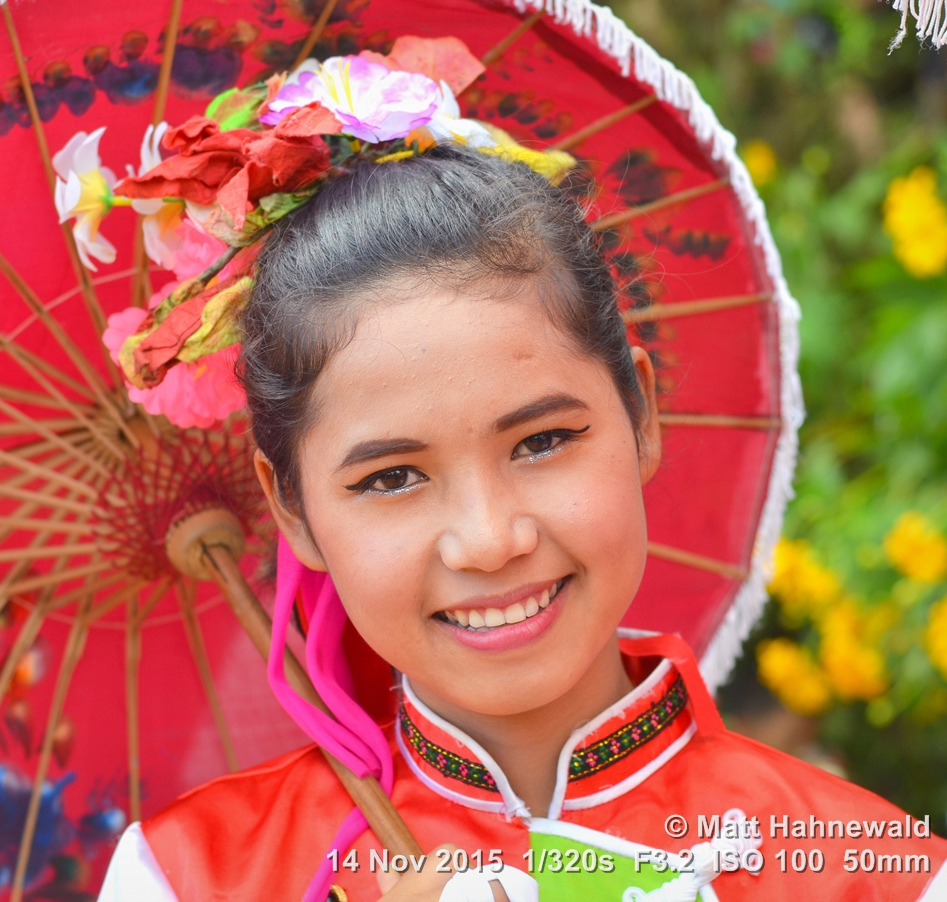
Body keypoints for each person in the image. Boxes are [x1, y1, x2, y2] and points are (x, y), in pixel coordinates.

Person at [96, 140, 947, 901]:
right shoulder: (188, 878)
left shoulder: (873, 875)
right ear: (295, 510)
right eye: (392, 477)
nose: (491, 538)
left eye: (542, 441)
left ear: (641, 414)